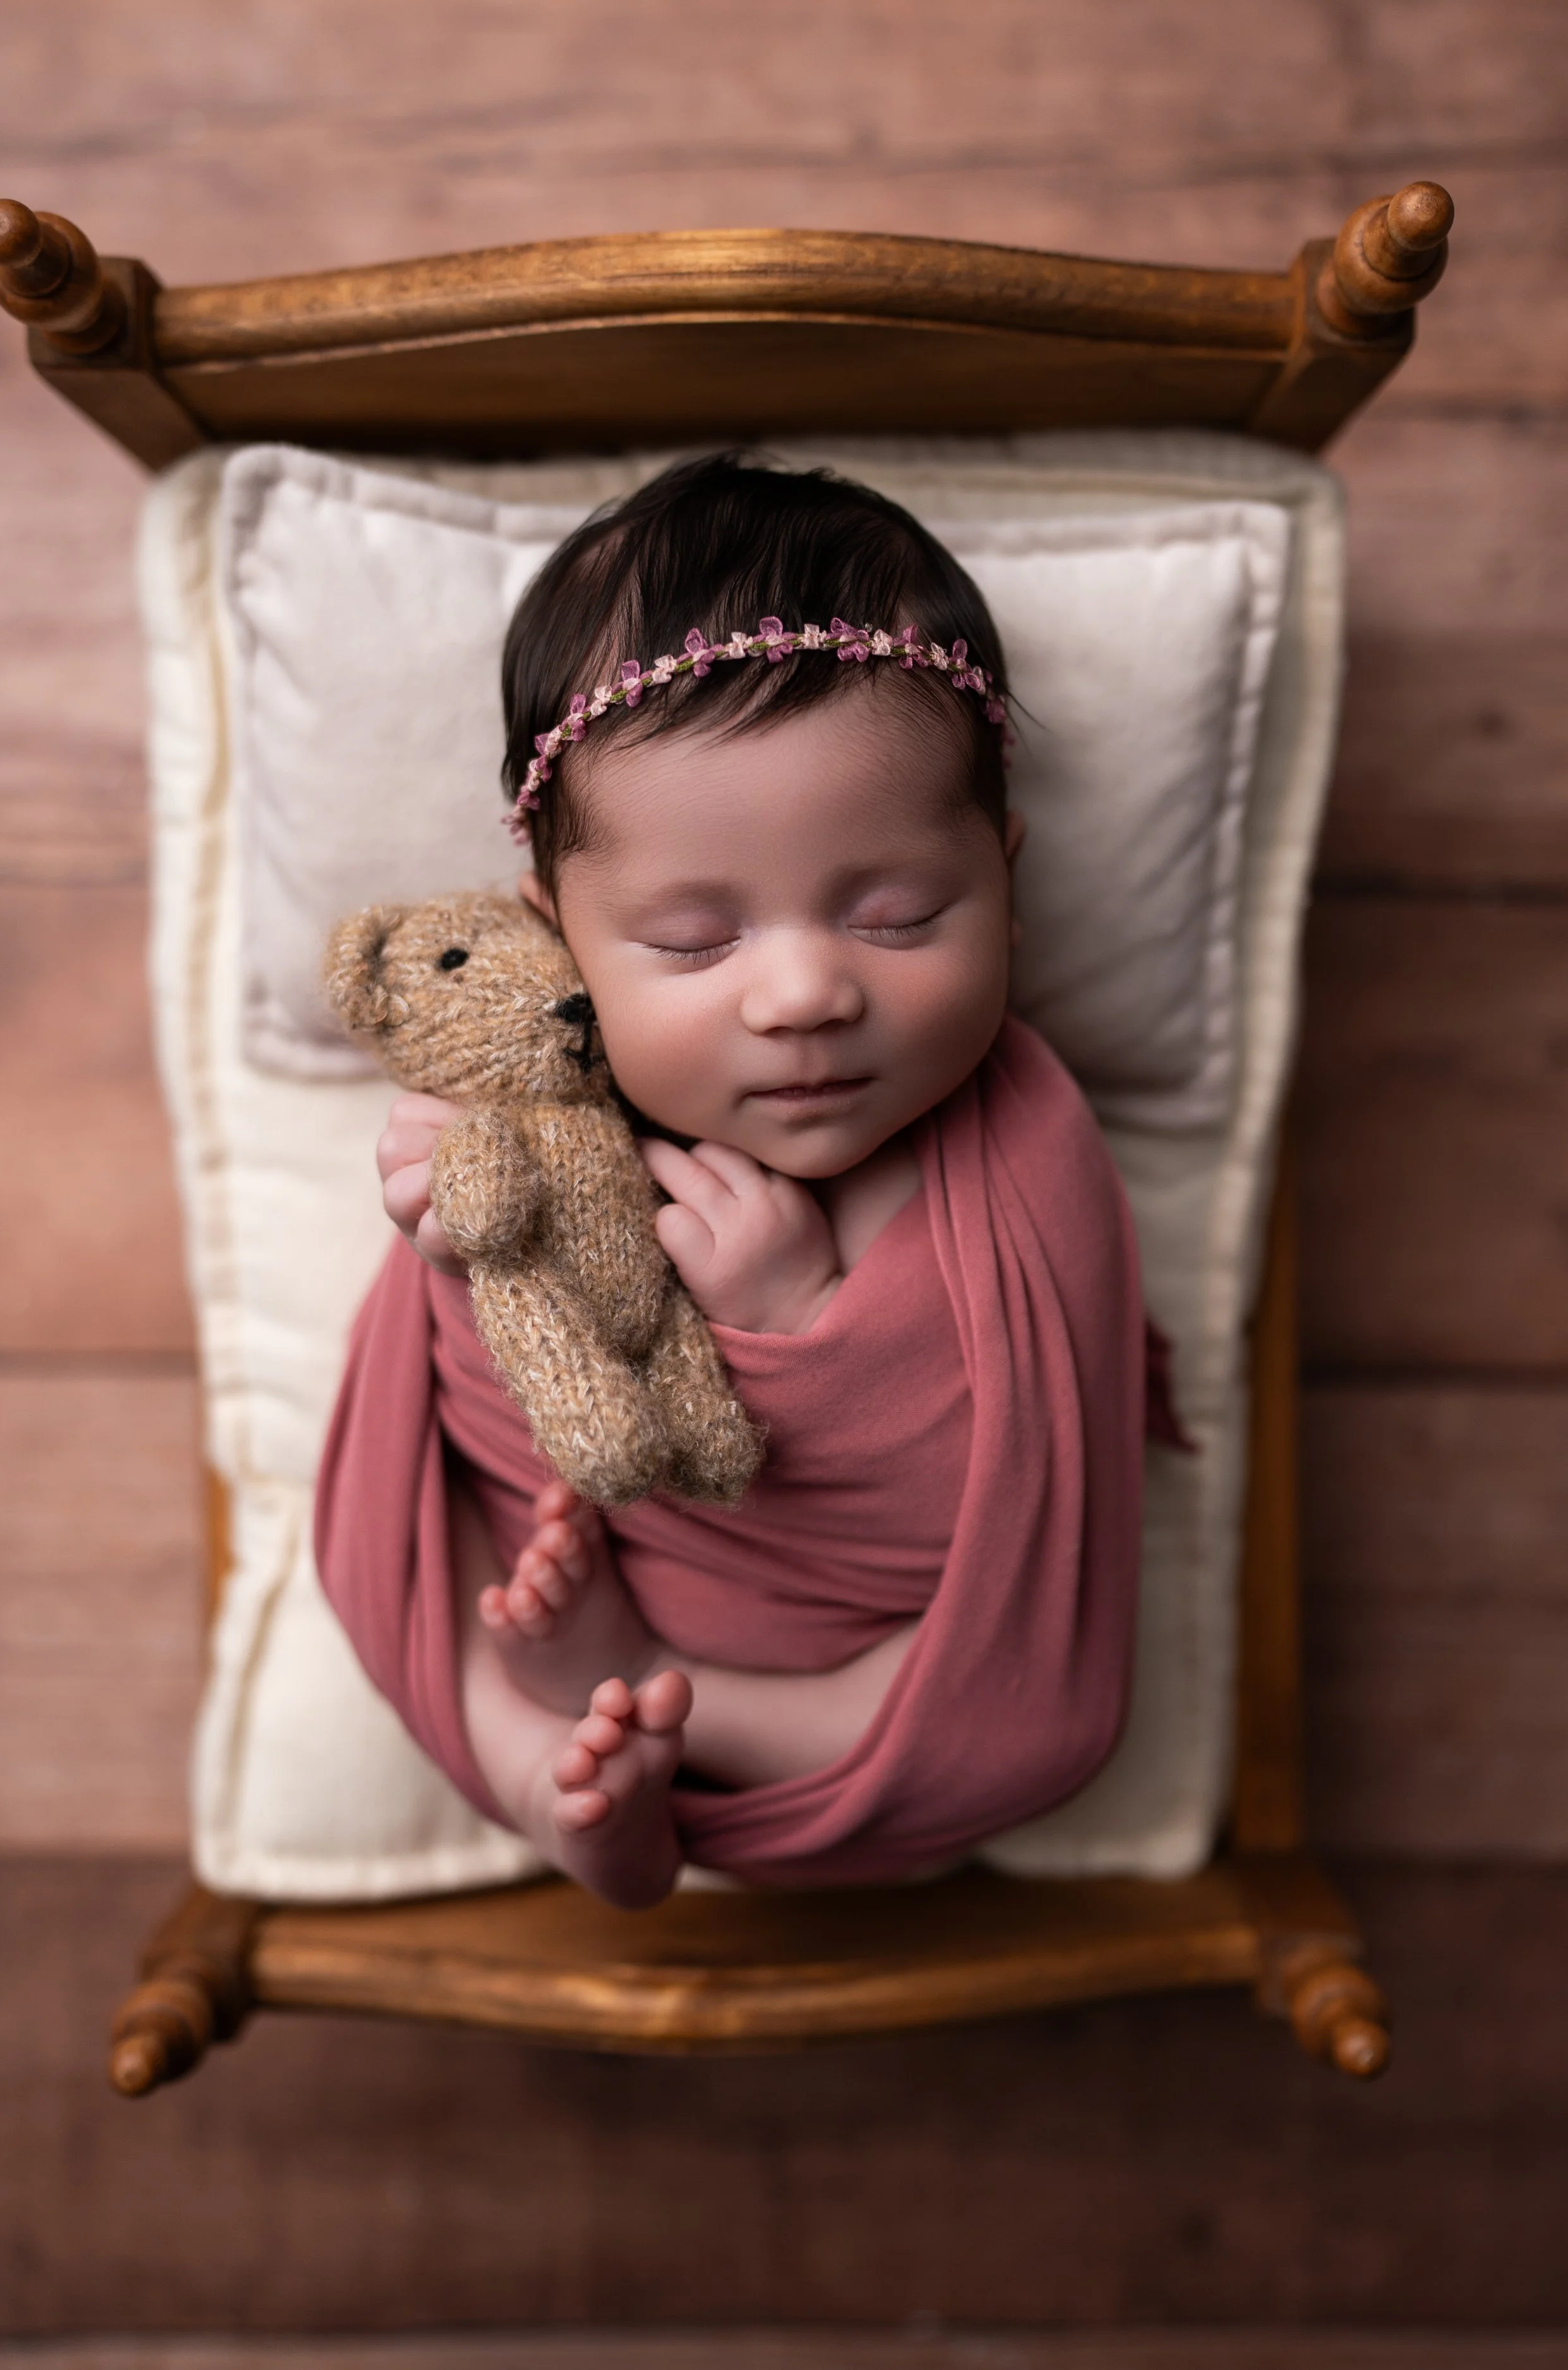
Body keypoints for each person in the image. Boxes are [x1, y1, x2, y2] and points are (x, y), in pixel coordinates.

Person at [316, 453, 1144, 1909]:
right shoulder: (542, 1105)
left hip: (858, 1660)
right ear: (558, 932)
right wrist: (455, 1250)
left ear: (1005, 882)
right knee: (404, 1552)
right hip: (563, 1562)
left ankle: (671, 1701)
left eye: (898, 915)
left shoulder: (1020, 1143)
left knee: (1041, 1711)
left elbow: (1021, 1494)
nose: (805, 990)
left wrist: (806, 1327)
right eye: (694, 943)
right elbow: (475, 1411)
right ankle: (545, 1777)